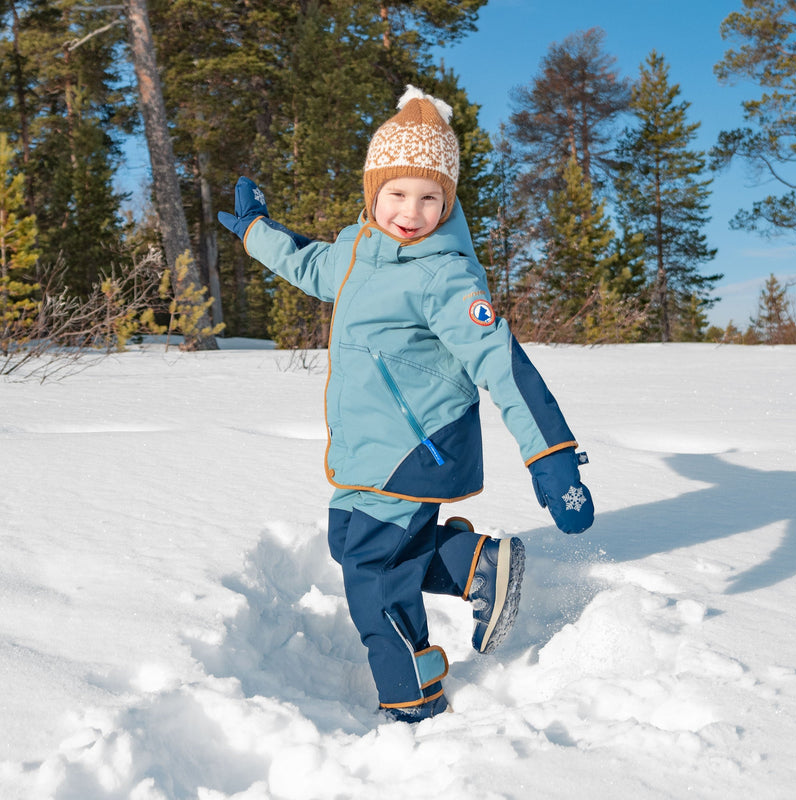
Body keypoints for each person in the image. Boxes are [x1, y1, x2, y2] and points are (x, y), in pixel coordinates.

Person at [218, 85, 594, 723]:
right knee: (355, 541)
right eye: (396, 193)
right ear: (373, 192)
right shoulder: (360, 252)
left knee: (369, 566)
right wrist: (257, 231)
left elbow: (500, 362)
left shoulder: (442, 275)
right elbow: (307, 263)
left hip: (411, 446)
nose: (411, 212)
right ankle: (479, 564)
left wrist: (551, 454)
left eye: (430, 198)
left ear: (448, 202)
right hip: (375, 447)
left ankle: (411, 692)